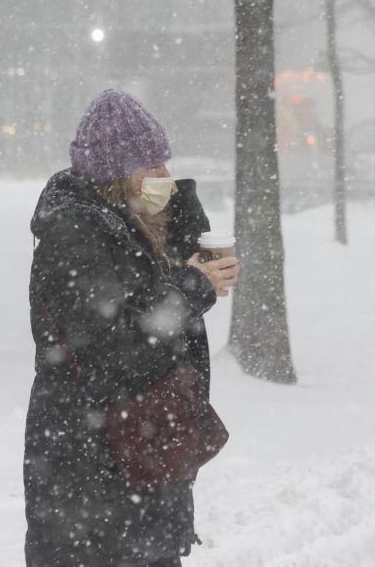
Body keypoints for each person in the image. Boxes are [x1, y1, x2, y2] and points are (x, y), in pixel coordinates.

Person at [23, 89, 239, 566]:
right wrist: (191, 287)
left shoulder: (132, 223)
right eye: (152, 167)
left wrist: (193, 260)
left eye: (166, 163)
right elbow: (113, 348)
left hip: (135, 462)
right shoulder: (74, 234)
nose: (165, 177)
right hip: (91, 469)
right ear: (116, 173)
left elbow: (151, 320)